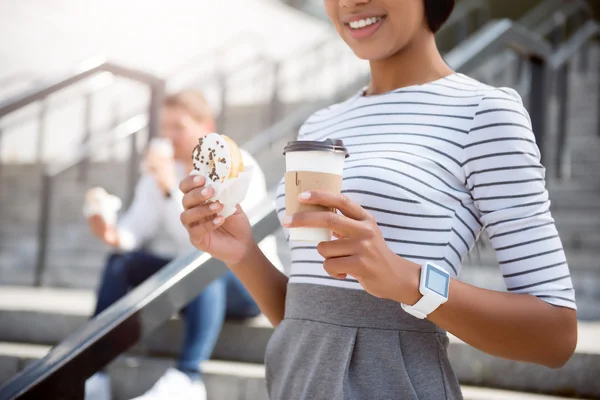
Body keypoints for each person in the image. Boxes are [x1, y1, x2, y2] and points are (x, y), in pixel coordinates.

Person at [178, 1, 578, 399]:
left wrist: (407, 280)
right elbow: (313, 318)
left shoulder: (484, 113)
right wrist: (242, 252)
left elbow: (555, 336)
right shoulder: (321, 124)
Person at [85, 90, 272, 400]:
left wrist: (168, 187)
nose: (169, 137)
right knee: (121, 263)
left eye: (178, 127)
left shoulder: (234, 165)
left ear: (206, 126)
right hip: (192, 282)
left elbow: (223, 238)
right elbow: (135, 229)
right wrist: (111, 234)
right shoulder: (162, 170)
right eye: (164, 128)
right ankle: (95, 372)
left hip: (244, 283)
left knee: (204, 264)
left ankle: (188, 378)